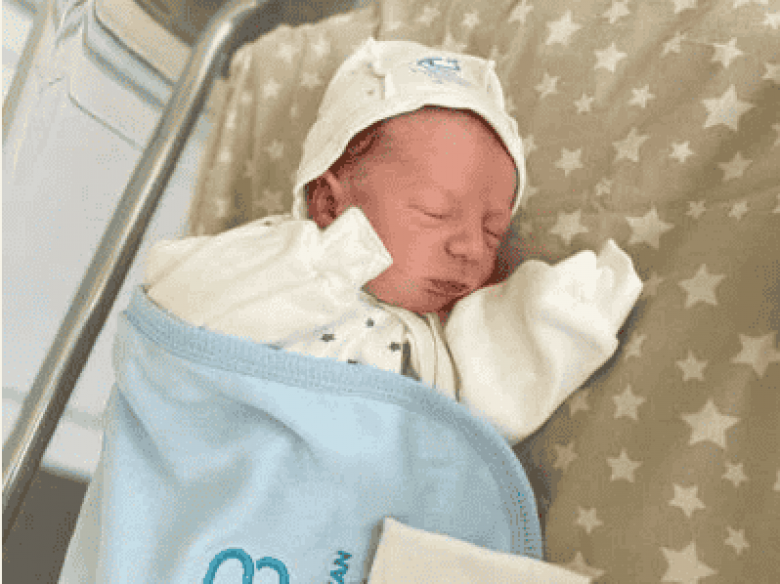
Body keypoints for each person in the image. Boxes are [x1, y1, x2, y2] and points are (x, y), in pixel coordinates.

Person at [59, 39, 637, 583]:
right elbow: (180, 293)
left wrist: (566, 313)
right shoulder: (277, 260)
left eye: (493, 231)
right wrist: (341, 255)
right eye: (435, 212)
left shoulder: (441, 340)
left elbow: (492, 400)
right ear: (329, 203)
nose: (469, 247)